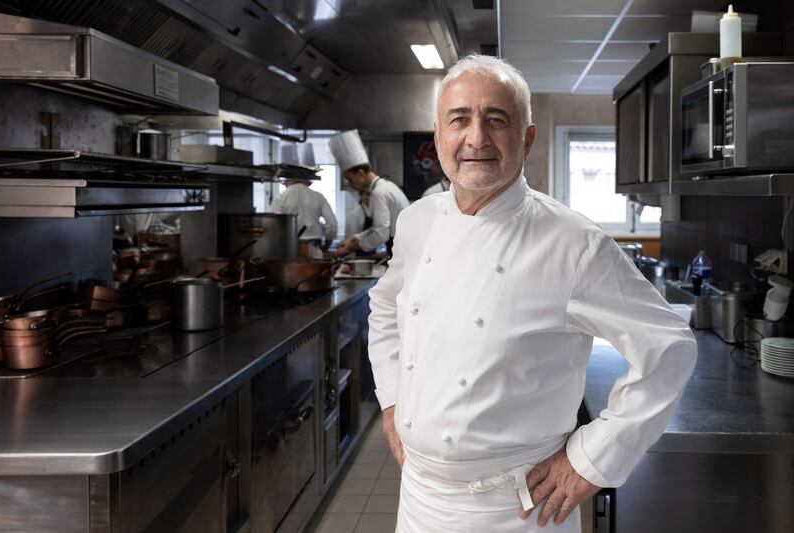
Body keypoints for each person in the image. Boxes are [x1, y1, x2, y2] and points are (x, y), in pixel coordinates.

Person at [367, 54, 697, 532]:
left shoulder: (573, 243)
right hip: (419, 499)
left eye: (496, 120)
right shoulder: (418, 221)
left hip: (517, 508)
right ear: (438, 137)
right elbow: (384, 307)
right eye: (459, 120)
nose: (476, 138)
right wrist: (393, 399)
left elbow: (669, 346)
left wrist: (591, 459)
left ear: (527, 138)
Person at [328, 129, 409, 257]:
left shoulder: (379, 193)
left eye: (349, 178)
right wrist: (354, 239)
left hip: (402, 250)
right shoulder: (385, 186)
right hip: (402, 248)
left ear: (360, 173)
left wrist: (350, 248)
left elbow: (380, 235)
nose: (349, 183)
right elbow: (380, 228)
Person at [271, 178, 337, 250]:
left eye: (283, 181)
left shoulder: (280, 198)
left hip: (289, 244)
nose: (283, 184)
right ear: (309, 182)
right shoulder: (318, 197)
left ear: (288, 180)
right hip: (314, 243)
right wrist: (327, 245)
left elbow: (275, 225)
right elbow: (332, 224)